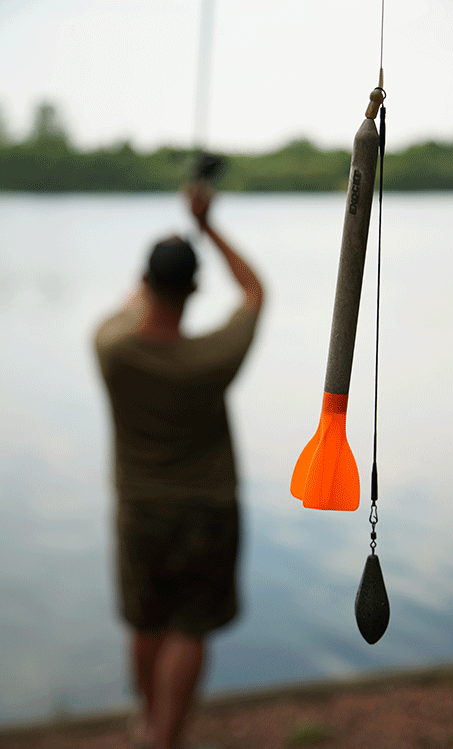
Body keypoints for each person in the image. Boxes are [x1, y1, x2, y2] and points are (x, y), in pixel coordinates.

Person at [93, 183, 264, 749]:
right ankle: (167, 739)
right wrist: (207, 225)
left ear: (147, 282)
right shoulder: (213, 356)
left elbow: (129, 309)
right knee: (190, 628)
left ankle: (149, 727)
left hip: (140, 509)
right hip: (209, 511)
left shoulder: (112, 349)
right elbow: (255, 292)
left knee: (146, 623)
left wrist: (151, 277)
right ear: (193, 289)